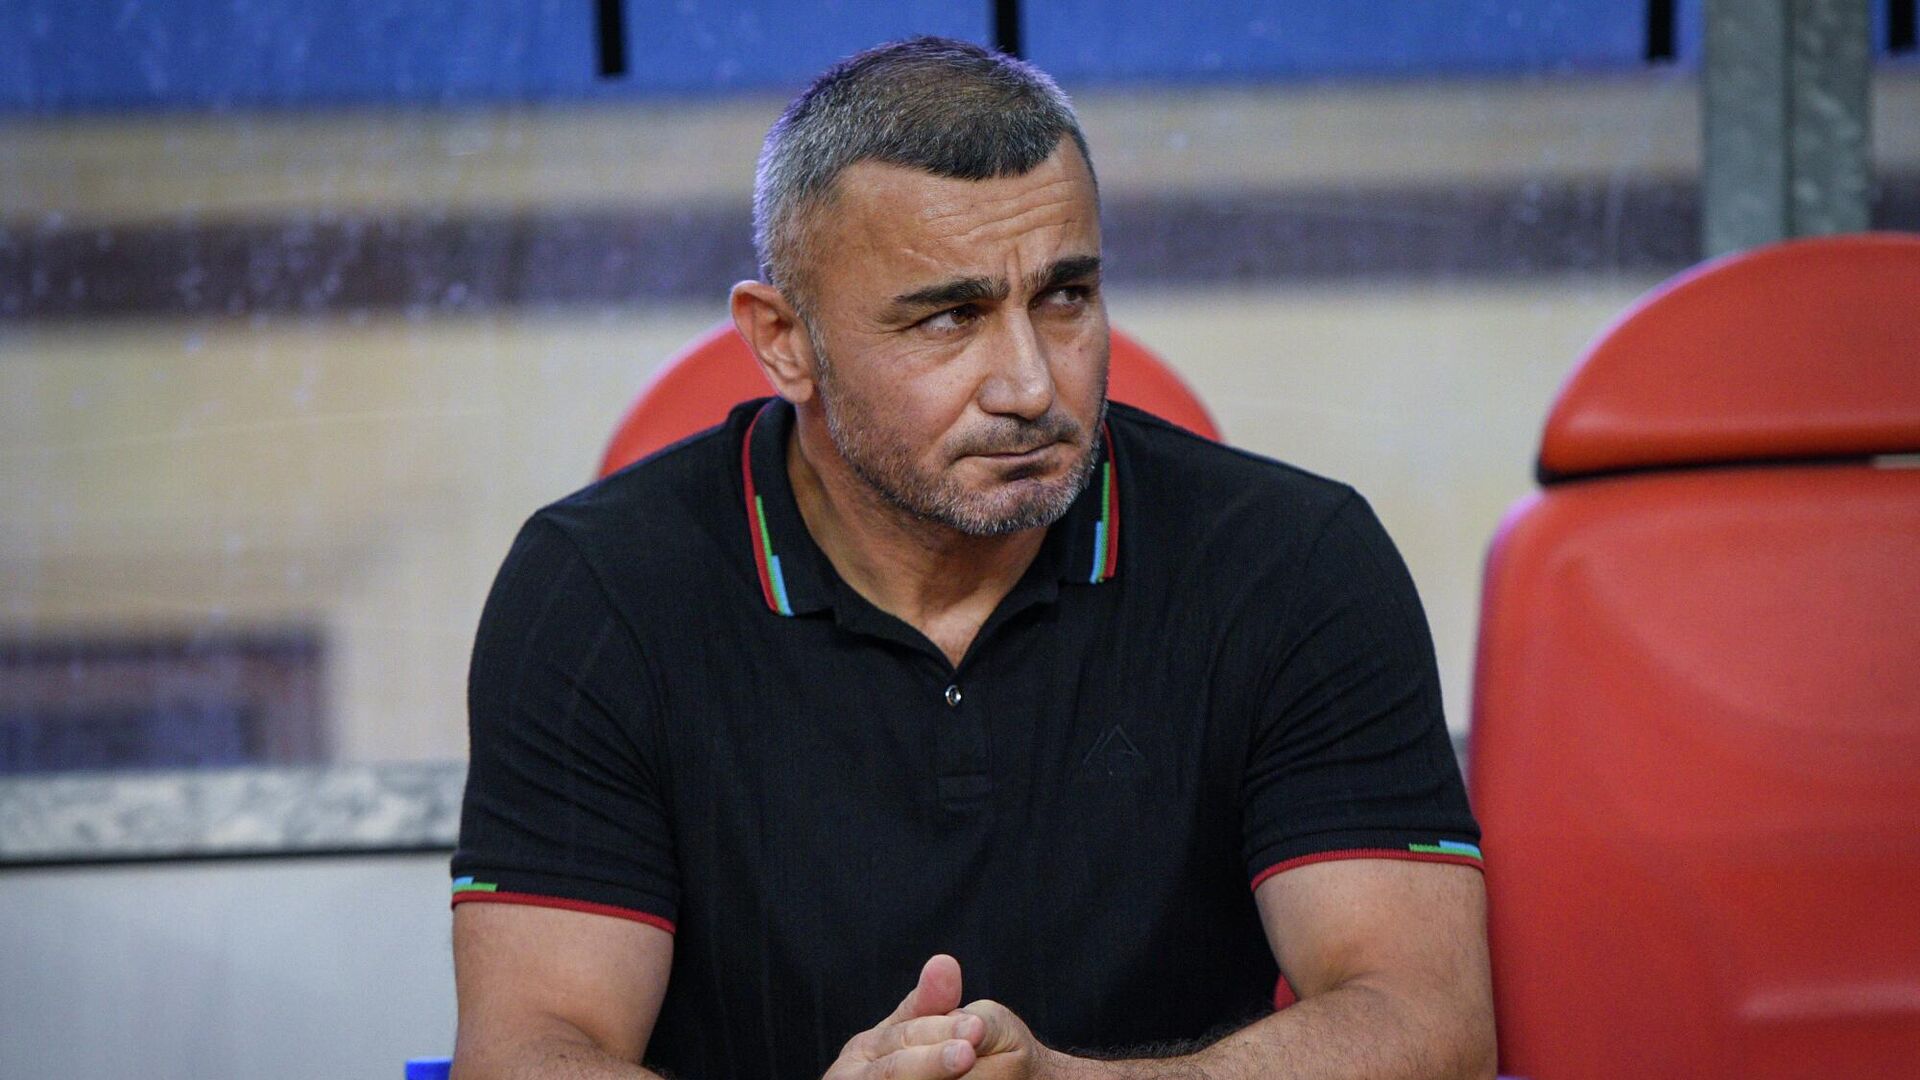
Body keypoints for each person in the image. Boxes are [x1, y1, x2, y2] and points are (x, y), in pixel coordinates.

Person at [449, 36, 1494, 1080]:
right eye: (951, 317)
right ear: (784, 341)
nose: (1031, 386)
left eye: (1066, 296)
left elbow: (1427, 1025)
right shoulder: (598, 589)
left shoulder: (1294, 562)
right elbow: (529, 1052)